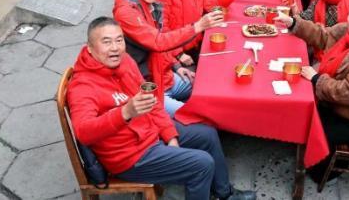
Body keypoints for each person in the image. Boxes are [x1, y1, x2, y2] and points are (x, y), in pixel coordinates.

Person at [68, 16, 256, 200]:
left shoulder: (125, 61)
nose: (115, 48)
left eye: (119, 40)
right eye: (106, 42)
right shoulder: (82, 86)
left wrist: (169, 134)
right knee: (202, 164)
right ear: (90, 48)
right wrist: (124, 113)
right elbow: (84, 132)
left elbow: (153, 103)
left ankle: (224, 194)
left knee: (207, 135)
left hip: (149, 132)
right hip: (129, 157)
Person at [275, 0, 349, 185]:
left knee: (308, 127)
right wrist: (293, 22)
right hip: (333, 105)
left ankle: (322, 170)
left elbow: (346, 93)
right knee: (299, 111)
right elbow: (322, 36)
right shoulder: (347, 32)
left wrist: (316, 78)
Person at [112, 0, 223, 116]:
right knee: (195, 118)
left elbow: (162, 40)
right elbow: (158, 42)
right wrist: (198, 26)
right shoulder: (126, 13)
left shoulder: (152, 5)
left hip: (164, 76)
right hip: (145, 89)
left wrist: (176, 66)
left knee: (208, 88)